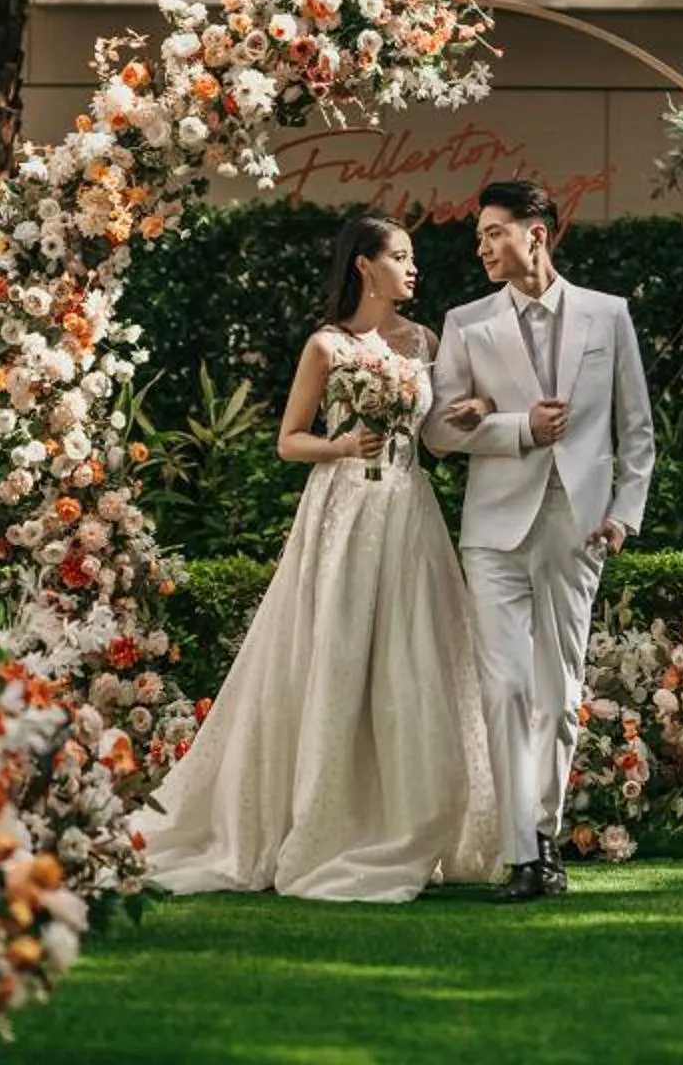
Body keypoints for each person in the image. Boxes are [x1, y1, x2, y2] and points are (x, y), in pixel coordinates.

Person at [134, 213, 498, 901]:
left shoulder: (424, 340)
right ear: (364, 265)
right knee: (337, 648)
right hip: (345, 509)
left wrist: (474, 409)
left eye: (412, 257)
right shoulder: (327, 346)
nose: (413, 268)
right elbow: (289, 440)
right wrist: (341, 447)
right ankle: (322, 819)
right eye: (400, 256)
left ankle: (409, 821)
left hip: (409, 508)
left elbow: (436, 433)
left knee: (414, 654)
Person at [421, 177, 657, 903]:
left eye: (495, 232)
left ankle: (544, 835)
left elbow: (636, 431)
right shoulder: (467, 323)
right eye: (480, 237)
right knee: (506, 688)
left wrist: (624, 514)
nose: (484, 247)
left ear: (537, 234)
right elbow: (437, 433)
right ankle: (524, 853)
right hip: (493, 530)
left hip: (576, 528)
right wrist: (517, 428)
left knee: (556, 696)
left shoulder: (608, 315)